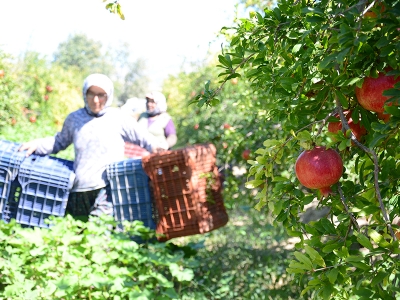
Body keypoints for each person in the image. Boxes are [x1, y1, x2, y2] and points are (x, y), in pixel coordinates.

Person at [19, 73, 162, 218]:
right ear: (84, 94)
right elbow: (59, 142)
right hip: (80, 188)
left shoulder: (118, 118)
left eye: (101, 95)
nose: (95, 100)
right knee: (80, 232)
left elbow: (145, 139)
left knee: (99, 233)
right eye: (91, 94)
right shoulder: (74, 119)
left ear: (109, 96)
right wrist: (37, 145)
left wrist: (158, 149)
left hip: (107, 188)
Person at [124, 91, 177, 158]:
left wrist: (165, 145)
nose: (149, 104)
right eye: (148, 101)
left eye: (152, 102)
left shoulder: (165, 118)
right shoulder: (143, 116)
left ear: (159, 103)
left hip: (158, 155)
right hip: (141, 155)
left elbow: (172, 136)